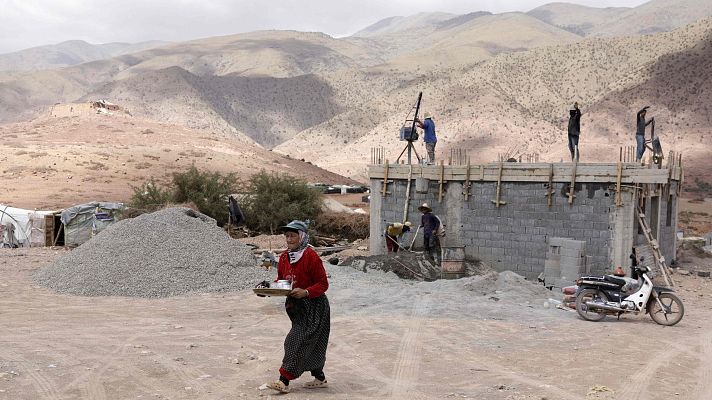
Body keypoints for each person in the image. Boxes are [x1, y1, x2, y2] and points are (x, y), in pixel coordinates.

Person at [265, 220, 330, 394]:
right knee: (312, 343)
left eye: (293, 235)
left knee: (295, 341)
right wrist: (269, 289)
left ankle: (283, 381)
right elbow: (283, 280)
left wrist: (306, 292)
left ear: (301, 236)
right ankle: (320, 377)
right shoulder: (285, 256)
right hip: (297, 308)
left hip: (314, 306)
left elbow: (323, 284)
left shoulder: (311, 256)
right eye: (287, 236)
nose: (289, 239)